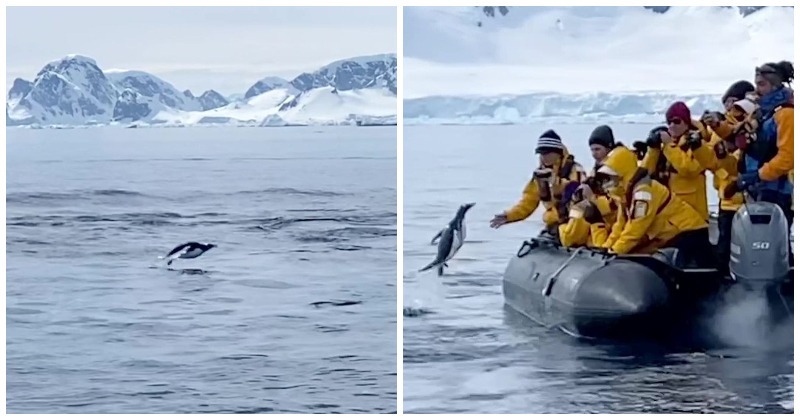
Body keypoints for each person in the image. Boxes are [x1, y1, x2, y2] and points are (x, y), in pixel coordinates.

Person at [591, 147, 714, 268]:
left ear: (623, 173)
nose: (610, 181)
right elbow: (620, 225)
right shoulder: (626, 195)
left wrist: (614, 252)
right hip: (670, 236)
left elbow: (635, 230)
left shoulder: (643, 193)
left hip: (688, 234)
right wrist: (606, 249)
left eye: (613, 176)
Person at [490, 129, 586, 234]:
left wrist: (555, 182)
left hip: (574, 224)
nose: (544, 157)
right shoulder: (540, 174)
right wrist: (509, 216)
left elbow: (578, 194)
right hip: (553, 225)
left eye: (547, 153)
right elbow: (528, 201)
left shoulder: (575, 170)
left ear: (558, 153)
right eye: (541, 153)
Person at [734, 61, 794, 229]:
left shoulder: (786, 114)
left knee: (771, 238)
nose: (757, 89)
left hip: (776, 191)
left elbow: (788, 157)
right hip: (759, 188)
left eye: (761, 84)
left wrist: (758, 175)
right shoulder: (763, 112)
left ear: (774, 86)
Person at [703, 81, 757, 267]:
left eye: (731, 102)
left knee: (749, 243)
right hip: (727, 197)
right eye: (726, 103)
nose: (728, 107)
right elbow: (712, 160)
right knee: (725, 243)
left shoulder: (751, 127)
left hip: (747, 195)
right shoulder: (720, 128)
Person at [640, 101, 711, 221]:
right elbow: (645, 173)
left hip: (693, 215)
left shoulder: (698, 144)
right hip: (668, 213)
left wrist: (669, 146)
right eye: (669, 122)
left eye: (677, 121)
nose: (672, 125)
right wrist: (653, 149)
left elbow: (689, 169)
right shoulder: (665, 146)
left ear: (686, 123)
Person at [558, 125, 620, 247]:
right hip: (597, 212)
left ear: (609, 148)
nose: (594, 154)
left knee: (580, 215)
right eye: (592, 150)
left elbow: (617, 201)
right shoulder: (597, 169)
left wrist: (592, 199)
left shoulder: (616, 170)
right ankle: (566, 232)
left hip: (610, 218)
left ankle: (567, 233)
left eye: (597, 149)